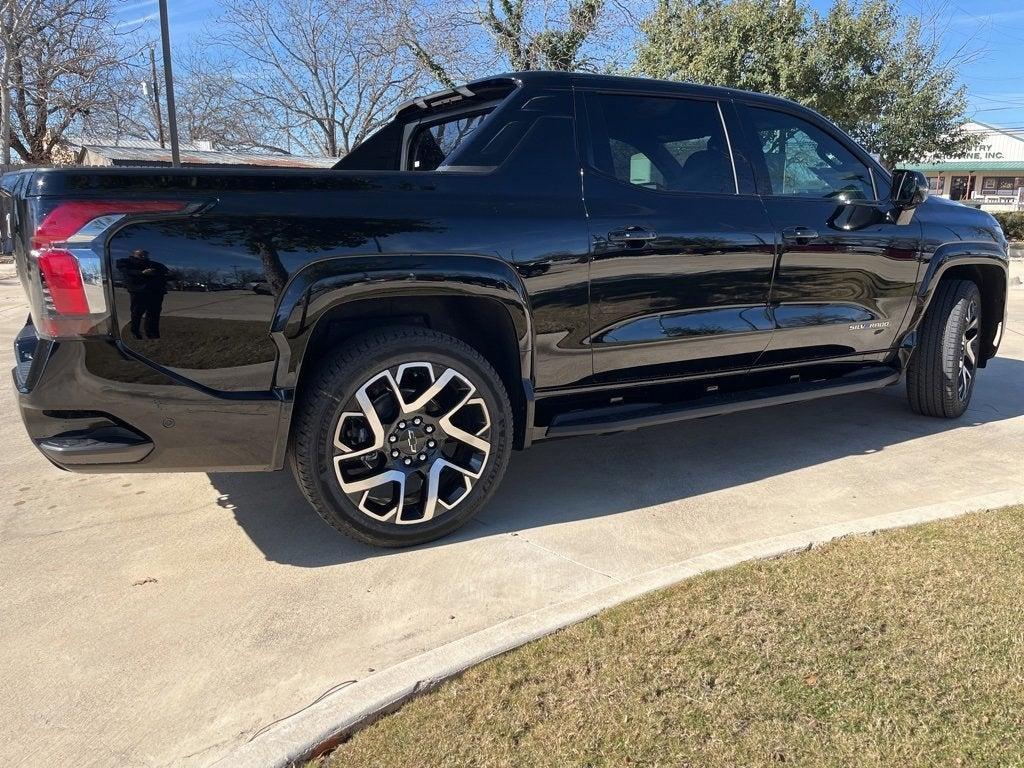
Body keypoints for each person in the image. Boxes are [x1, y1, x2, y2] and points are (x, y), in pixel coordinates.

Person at [117, 249, 170, 339]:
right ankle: (135, 332)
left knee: (154, 313)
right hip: (138, 291)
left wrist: (169, 276)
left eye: (145, 255)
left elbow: (166, 273)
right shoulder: (126, 262)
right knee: (137, 313)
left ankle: (152, 334)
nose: (143, 257)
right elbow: (126, 271)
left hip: (156, 292)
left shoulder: (156, 264)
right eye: (140, 255)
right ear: (134, 254)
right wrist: (142, 272)